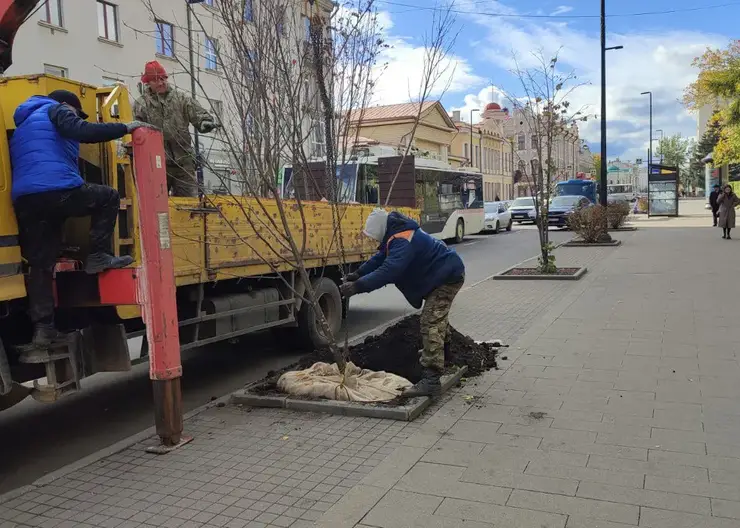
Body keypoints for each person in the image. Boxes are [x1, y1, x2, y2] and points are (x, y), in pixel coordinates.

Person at [10, 90, 152, 352]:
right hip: (56, 189)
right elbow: (82, 131)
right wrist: (124, 127)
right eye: (76, 110)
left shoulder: (23, 124)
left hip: (26, 199)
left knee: (42, 264)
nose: (75, 114)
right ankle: (99, 256)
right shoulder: (55, 110)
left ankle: (44, 330)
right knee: (107, 197)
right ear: (67, 105)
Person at [340, 209, 465, 397]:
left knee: (431, 322)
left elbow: (390, 270)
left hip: (447, 278)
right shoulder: (397, 234)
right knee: (437, 319)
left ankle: (431, 380)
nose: (375, 240)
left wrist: (358, 286)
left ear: (382, 229)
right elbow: (380, 258)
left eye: (376, 236)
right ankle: (446, 357)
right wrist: (358, 274)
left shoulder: (402, 239)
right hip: (440, 275)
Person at [133, 61, 217, 197]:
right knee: (157, 205)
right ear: (148, 83)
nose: (161, 83)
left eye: (163, 78)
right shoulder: (141, 105)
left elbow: (198, 114)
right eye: (155, 80)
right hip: (156, 165)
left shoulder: (181, 99)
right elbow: (136, 131)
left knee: (188, 207)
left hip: (184, 163)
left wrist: (205, 122)